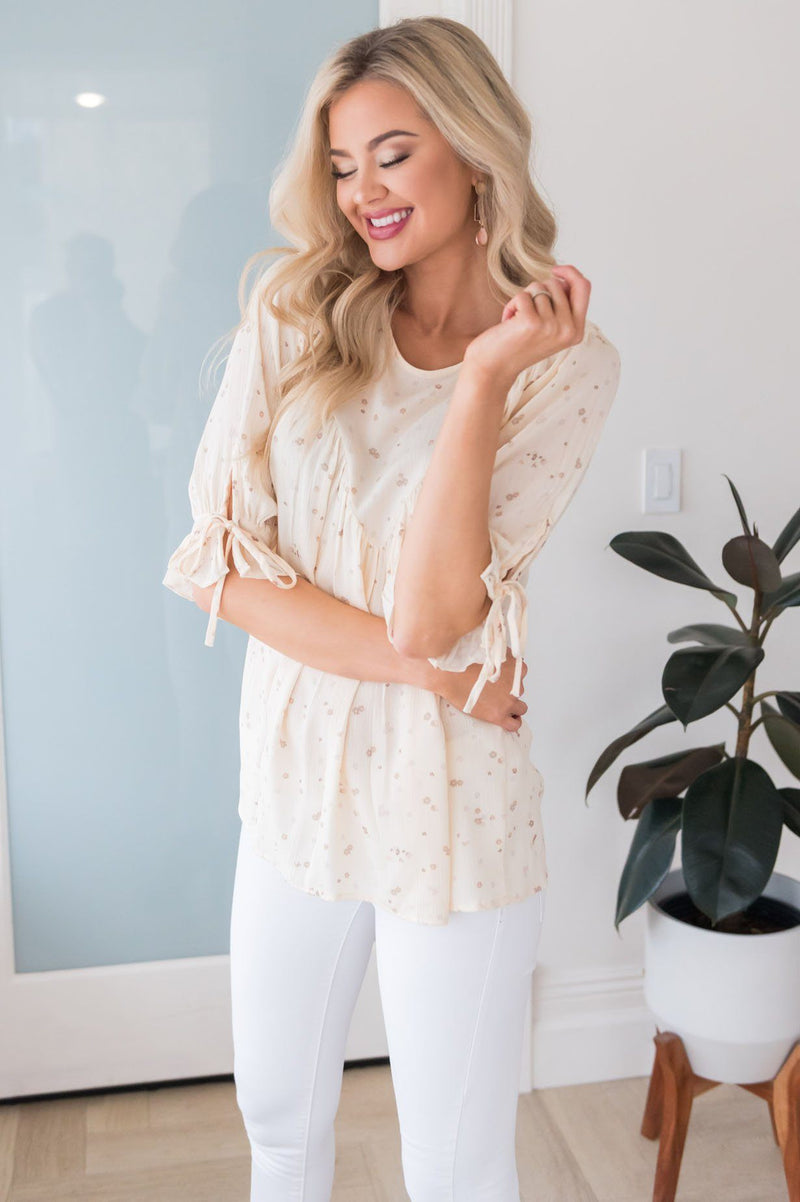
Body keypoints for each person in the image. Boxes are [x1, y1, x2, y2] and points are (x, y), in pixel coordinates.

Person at [162, 16, 621, 1202]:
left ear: (474, 152)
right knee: (278, 1126)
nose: (360, 192)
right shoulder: (294, 313)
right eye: (340, 165)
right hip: (295, 779)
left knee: (456, 1168)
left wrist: (481, 379)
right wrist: (426, 673)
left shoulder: (563, 365)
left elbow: (430, 611)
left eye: (392, 154)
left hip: (449, 801)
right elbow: (217, 569)